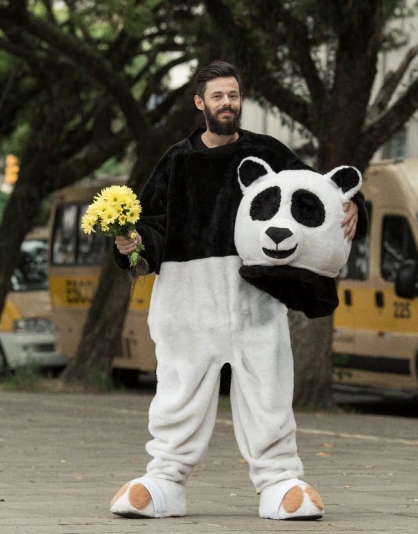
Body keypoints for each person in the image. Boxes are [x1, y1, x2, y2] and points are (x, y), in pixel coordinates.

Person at [110, 60, 366, 520]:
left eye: (233, 95)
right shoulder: (176, 160)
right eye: (217, 96)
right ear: (199, 102)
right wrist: (133, 243)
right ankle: (164, 478)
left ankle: (280, 480)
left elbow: (316, 189)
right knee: (179, 389)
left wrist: (352, 203)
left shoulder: (268, 152)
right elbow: (152, 222)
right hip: (187, 296)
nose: (227, 104)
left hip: (253, 293)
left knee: (267, 385)